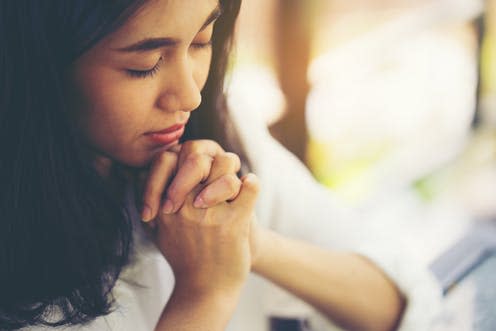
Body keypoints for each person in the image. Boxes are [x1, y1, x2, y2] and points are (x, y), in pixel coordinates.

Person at [0, 1, 440, 331]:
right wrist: (203, 295)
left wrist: (249, 245)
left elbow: (403, 309)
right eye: (144, 64)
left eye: (200, 42)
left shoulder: (221, 136)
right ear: (42, 64)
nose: (189, 95)